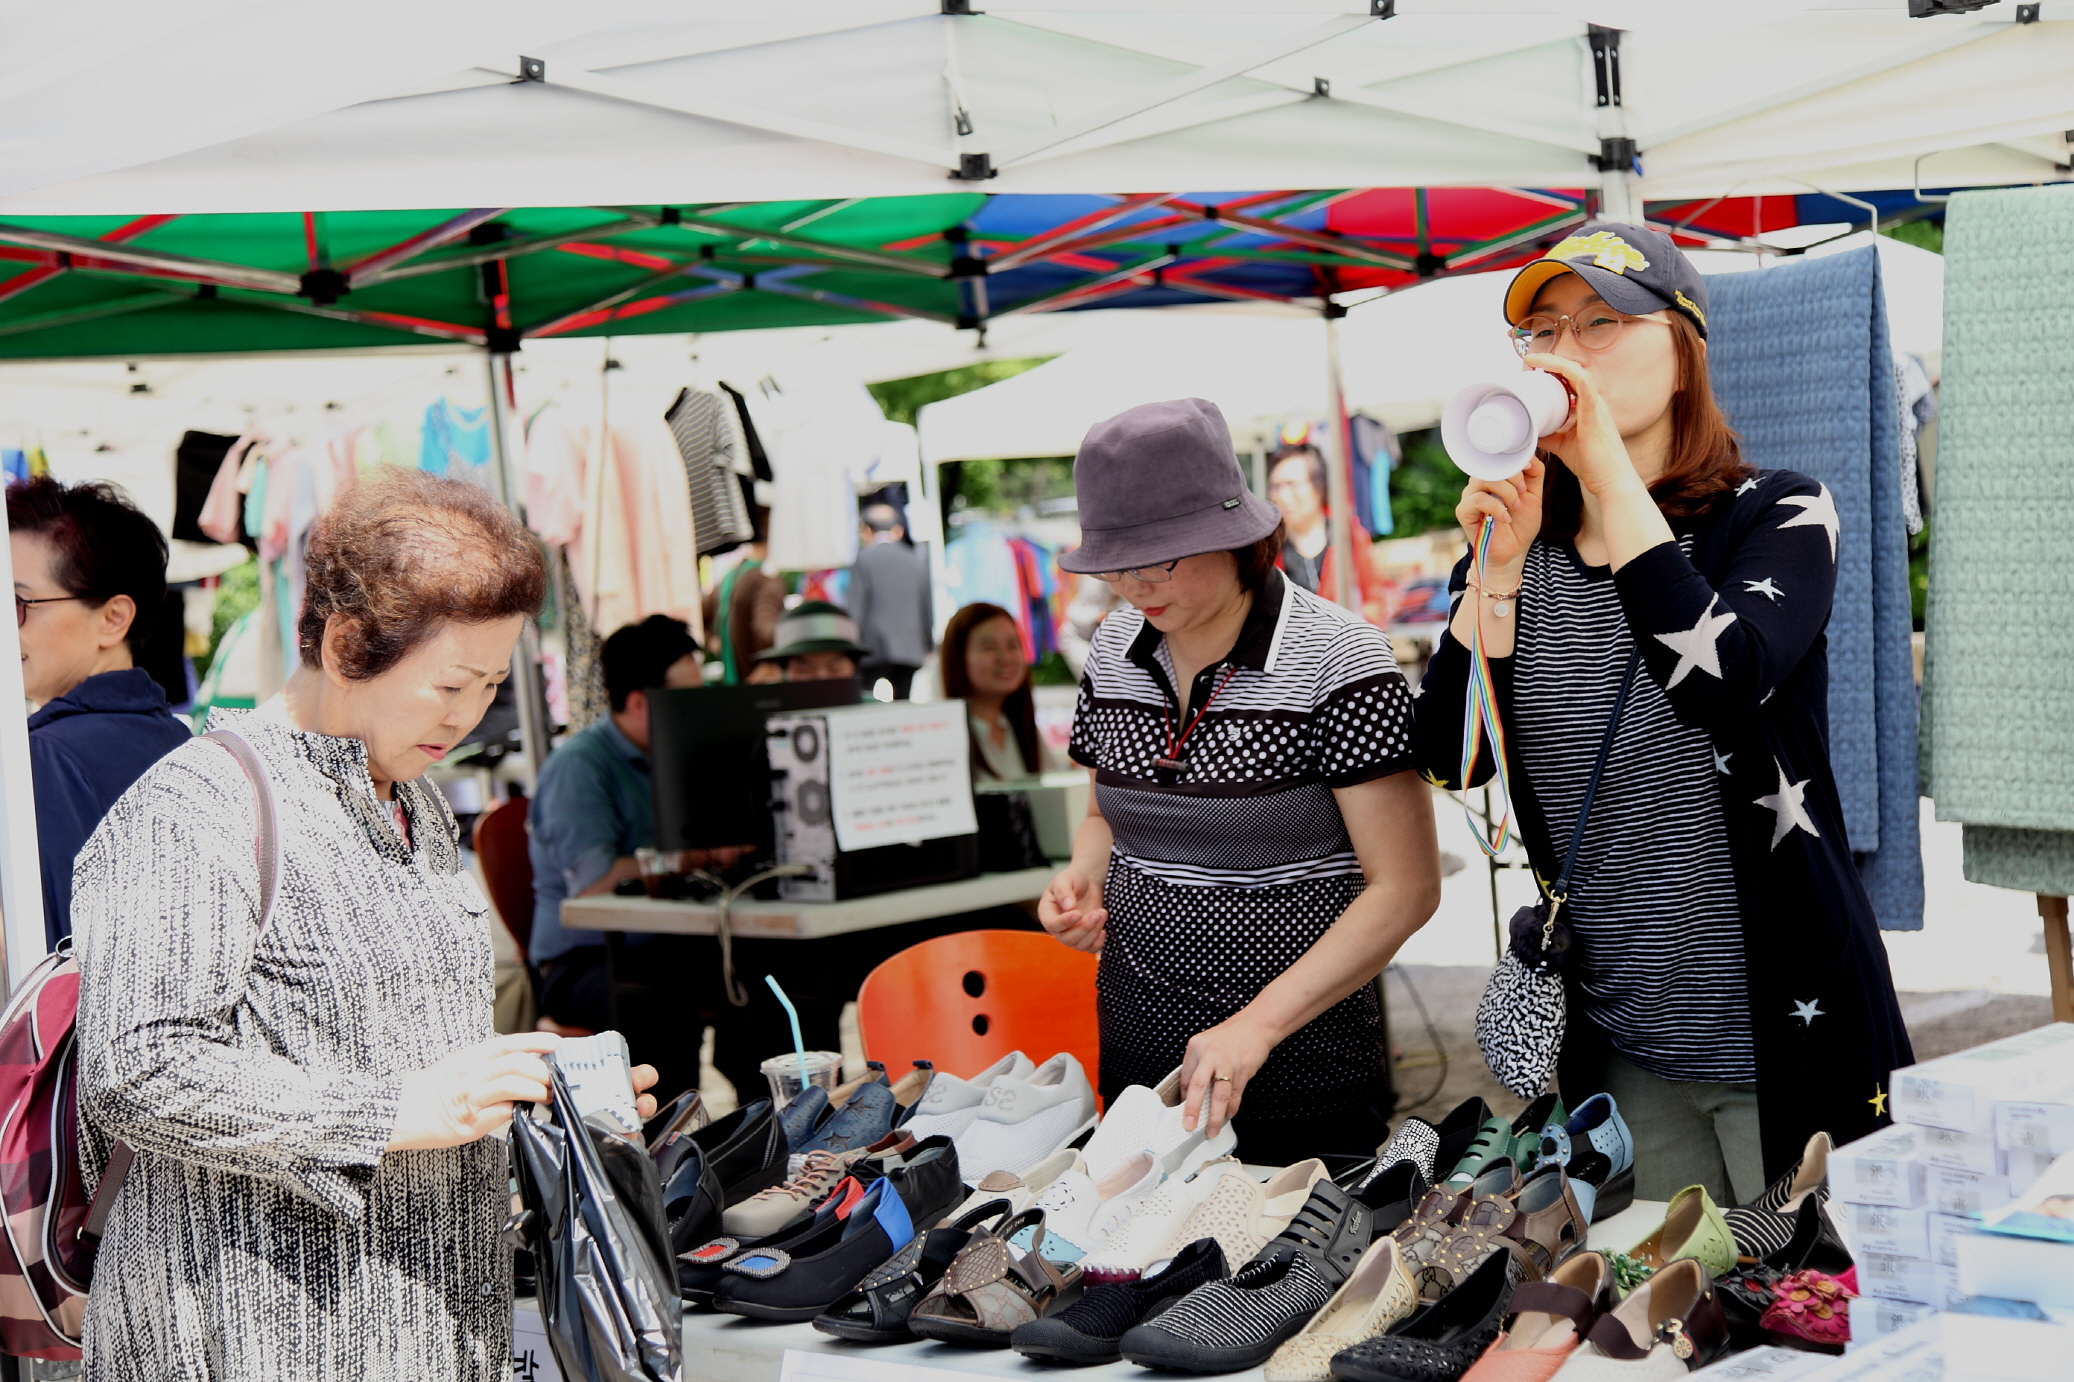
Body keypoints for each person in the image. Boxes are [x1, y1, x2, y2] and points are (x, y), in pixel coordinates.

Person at [70, 469, 659, 1381]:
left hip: (431, 1323)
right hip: (248, 1334)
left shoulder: (415, 800)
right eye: (449, 684)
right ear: (346, 645)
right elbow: (138, 1069)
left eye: (490, 684)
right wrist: (399, 1111)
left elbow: (413, 1056)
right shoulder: (197, 806)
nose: (468, 716)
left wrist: (535, 1101)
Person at [1411, 221, 1913, 1202]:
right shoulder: (1518, 545)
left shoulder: (1777, 513)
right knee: (1657, 1290)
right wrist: (1496, 572)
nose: (1563, 351)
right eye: (1543, 331)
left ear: (1683, 352)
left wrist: (1604, 472)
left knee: (1811, 1288)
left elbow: (1719, 679)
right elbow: (1449, 758)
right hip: (1624, 1041)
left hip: (1788, 1026)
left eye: (1601, 322)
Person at [1040, 398, 1441, 1167]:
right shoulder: (1113, 647)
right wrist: (1083, 878)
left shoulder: (1339, 660)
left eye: (1162, 559)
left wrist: (1257, 1025)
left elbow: (1406, 888)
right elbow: (1104, 816)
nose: (1135, 584)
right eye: (1115, 563)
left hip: (1301, 1070)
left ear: (1236, 536)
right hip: (1140, 1068)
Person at [10, 477, 193, 950]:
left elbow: (52, 959)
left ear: (113, 619)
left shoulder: (43, 758)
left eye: (18, 603)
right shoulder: (183, 743)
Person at [527, 615, 704, 1032]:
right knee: (663, 1001)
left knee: (773, 976)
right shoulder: (580, 767)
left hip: (665, 943)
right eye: (689, 697)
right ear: (640, 703)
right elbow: (596, 880)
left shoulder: (676, 757)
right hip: (582, 963)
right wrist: (698, 858)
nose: (701, 709)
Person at [1266, 443, 1398, 627]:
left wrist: (1358, 629)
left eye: (1292, 485)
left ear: (1319, 487)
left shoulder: (1348, 535)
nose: (1282, 496)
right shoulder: (1270, 547)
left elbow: (1375, 594)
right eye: (1275, 487)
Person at [942, 601, 1062, 779]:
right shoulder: (945, 738)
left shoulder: (1024, 731)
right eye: (989, 647)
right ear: (957, 658)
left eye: (1013, 645)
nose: (1005, 657)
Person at [849, 502, 933, 699]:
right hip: (910, 647)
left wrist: (852, 647)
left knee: (866, 702)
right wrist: (928, 644)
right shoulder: (916, 560)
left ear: (866, 530)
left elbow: (856, 607)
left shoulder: (864, 559)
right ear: (898, 530)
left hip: (872, 648)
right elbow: (926, 607)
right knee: (903, 703)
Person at [702, 505, 787, 683]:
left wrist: (713, 641)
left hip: (734, 680)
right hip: (756, 682)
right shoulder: (767, 579)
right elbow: (765, 631)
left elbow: (699, 614)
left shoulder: (730, 575)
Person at [756, 600, 870, 684]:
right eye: (804, 670)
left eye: (834, 668)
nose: (821, 677)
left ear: (854, 666)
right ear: (784, 670)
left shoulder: (873, 708)